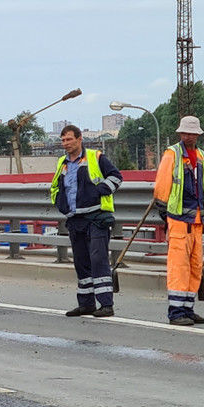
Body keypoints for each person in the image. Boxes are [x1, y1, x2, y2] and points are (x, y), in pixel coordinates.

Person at [50, 124, 123, 318]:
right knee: (81, 262)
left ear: (79, 139)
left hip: (96, 217)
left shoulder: (95, 157)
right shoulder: (62, 163)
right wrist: (60, 204)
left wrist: (99, 192)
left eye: (69, 139)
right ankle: (86, 304)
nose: (65, 143)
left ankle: (106, 304)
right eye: (63, 140)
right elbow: (55, 187)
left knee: (98, 259)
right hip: (75, 219)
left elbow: (116, 177)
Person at [154, 115, 204, 326]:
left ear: (197, 135)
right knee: (179, 267)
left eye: (191, 133)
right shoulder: (173, 154)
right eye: (185, 133)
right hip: (179, 219)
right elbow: (162, 186)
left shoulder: (201, 156)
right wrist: (166, 216)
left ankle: (188, 308)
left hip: (196, 220)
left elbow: (203, 187)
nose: (188, 136)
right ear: (180, 134)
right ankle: (176, 312)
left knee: (195, 266)